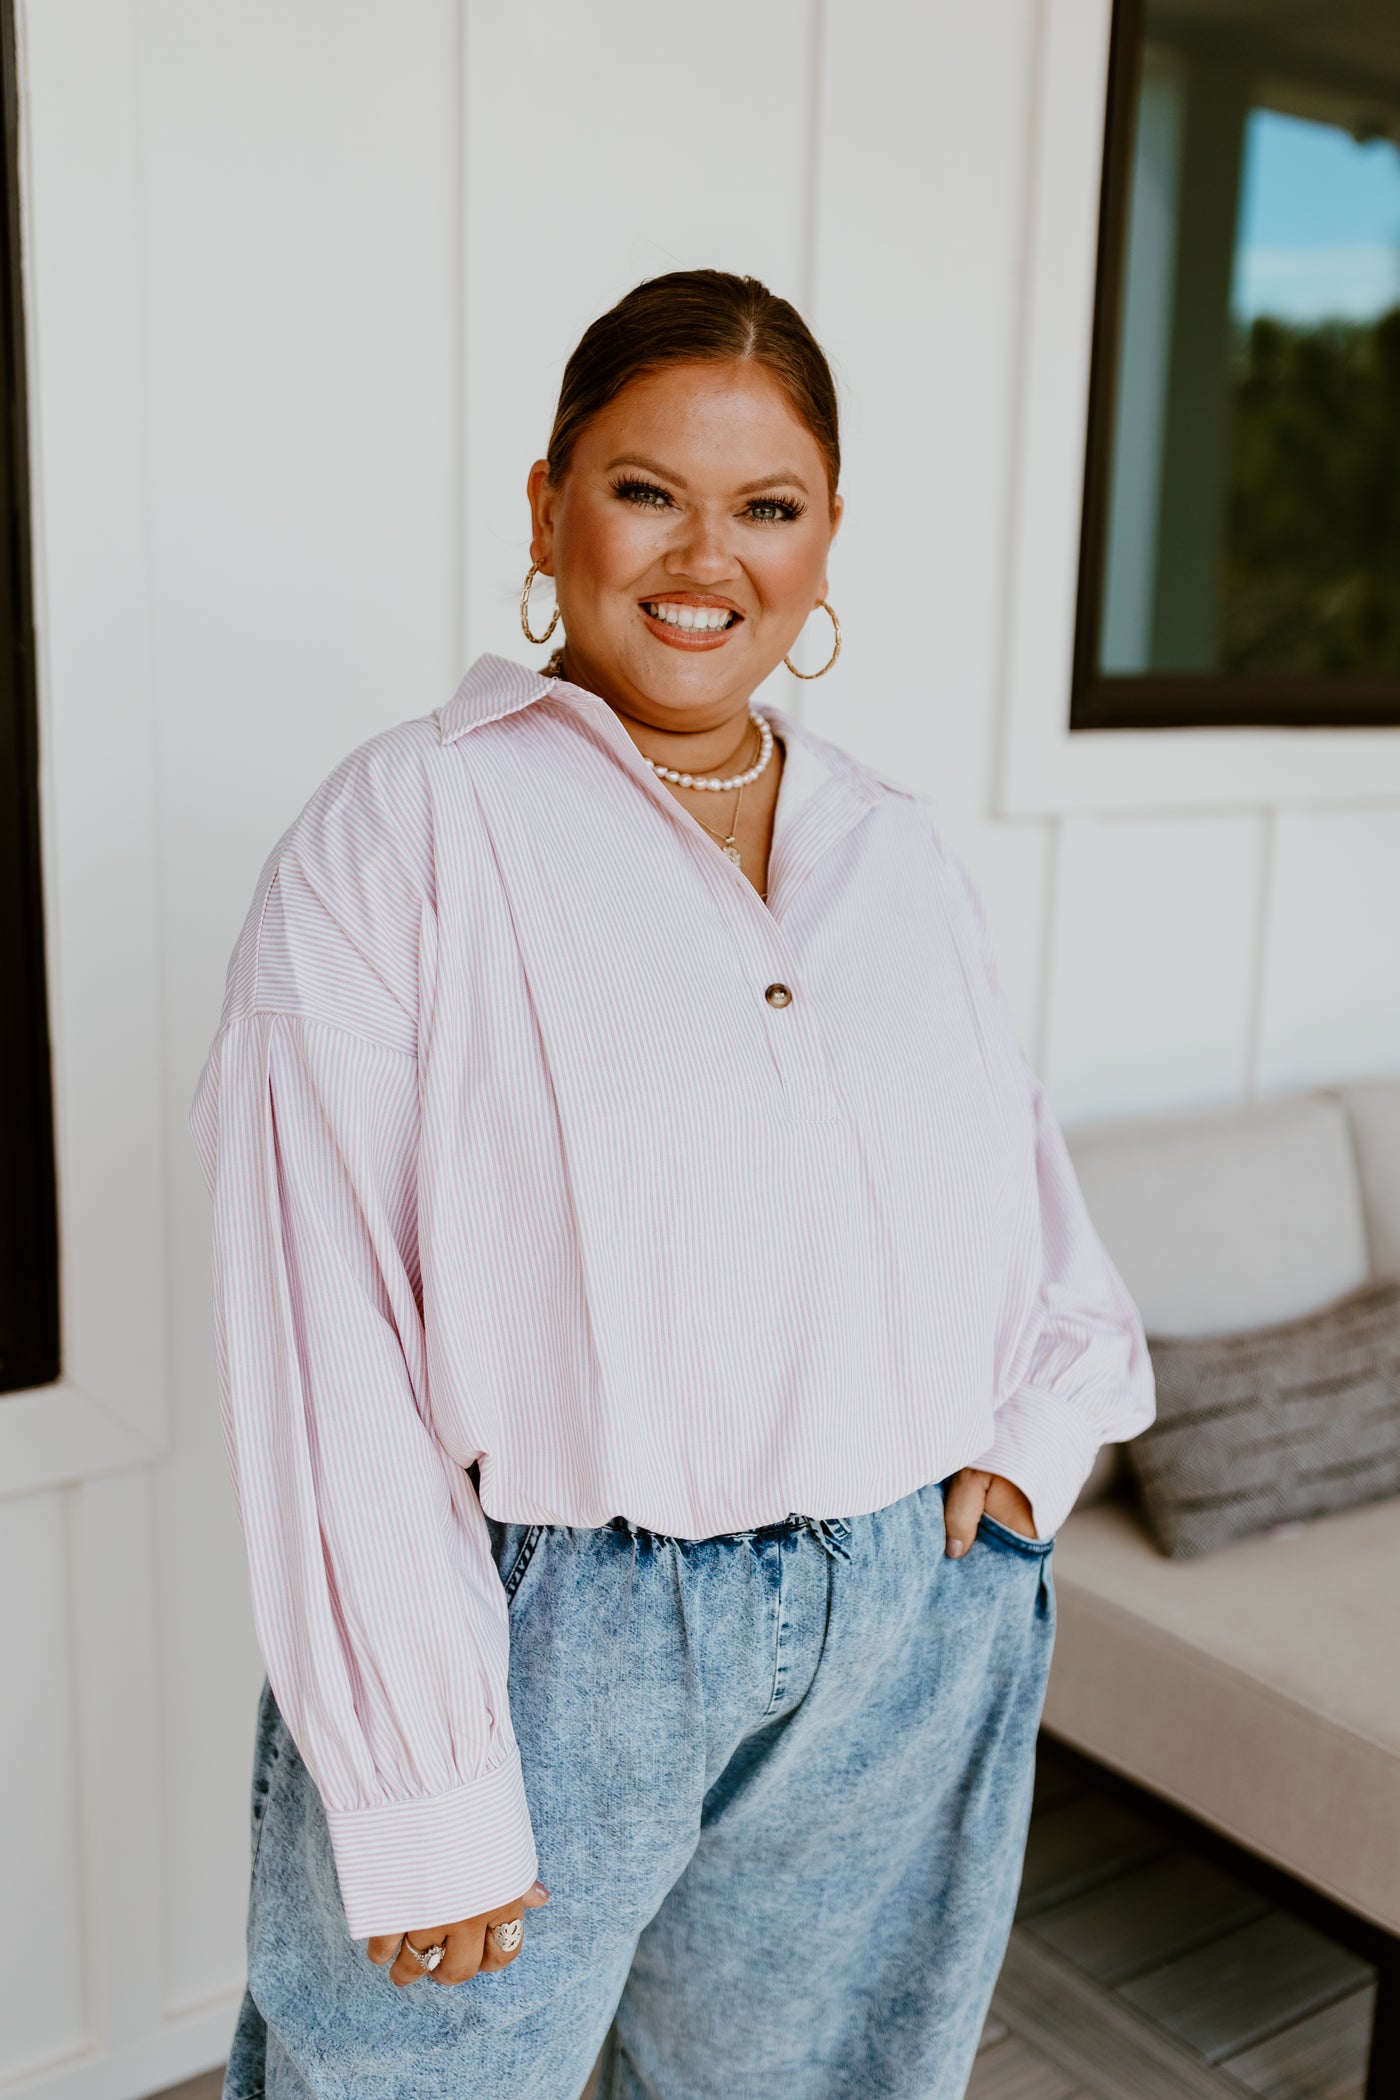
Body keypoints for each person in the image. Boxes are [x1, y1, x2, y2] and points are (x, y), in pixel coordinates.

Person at [190, 268, 1154, 2100]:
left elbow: (1009, 1187)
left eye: (767, 507)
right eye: (648, 490)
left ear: (826, 540)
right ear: (549, 501)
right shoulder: (406, 830)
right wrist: (418, 1784)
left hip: (905, 1615)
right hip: (556, 1642)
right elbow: (317, 1322)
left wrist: (1031, 1446)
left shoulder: (893, 849)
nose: (708, 557)